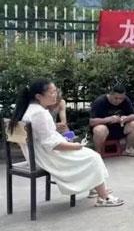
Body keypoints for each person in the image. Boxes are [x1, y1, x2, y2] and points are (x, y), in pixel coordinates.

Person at [8, 79, 124, 207]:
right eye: (52, 92)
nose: (55, 95)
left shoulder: (30, 109)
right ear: (39, 96)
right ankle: (103, 197)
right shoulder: (40, 113)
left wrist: (63, 138)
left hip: (37, 155)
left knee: (88, 155)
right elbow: (52, 144)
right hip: (46, 157)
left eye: (55, 91)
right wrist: (75, 146)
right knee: (93, 157)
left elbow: (45, 138)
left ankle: (96, 188)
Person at [89, 84, 134, 157]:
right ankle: (98, 153)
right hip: (104, 131)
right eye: (116, 98)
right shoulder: (100, 101)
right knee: (100, 129)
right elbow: (91, 122)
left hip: (119, 129)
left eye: (121, 99)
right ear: (110, 94)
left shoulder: (125, 100)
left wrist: (126, 118)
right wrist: (108, 119)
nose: (118, 101)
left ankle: (128, 149)